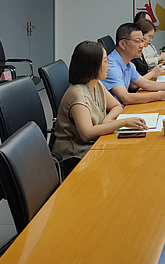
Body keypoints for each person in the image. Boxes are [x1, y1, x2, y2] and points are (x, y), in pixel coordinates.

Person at [52, 41, 147, 176]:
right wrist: (123, 122)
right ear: (92, 65)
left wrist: (108, 119)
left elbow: (116, 106)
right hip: (75, 157)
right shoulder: (77, 95)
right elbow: (87, 134)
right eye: (105, 61)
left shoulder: (96, 84)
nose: (108, 65)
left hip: (95, 146)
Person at [102, 22, 165, 104]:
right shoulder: (111, 66)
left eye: (142, 41)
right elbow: (125, 98)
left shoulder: (127, 63)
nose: (142, 46)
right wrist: (160, 96)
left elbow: (146, 84)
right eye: (137, 41)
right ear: (122, 44)